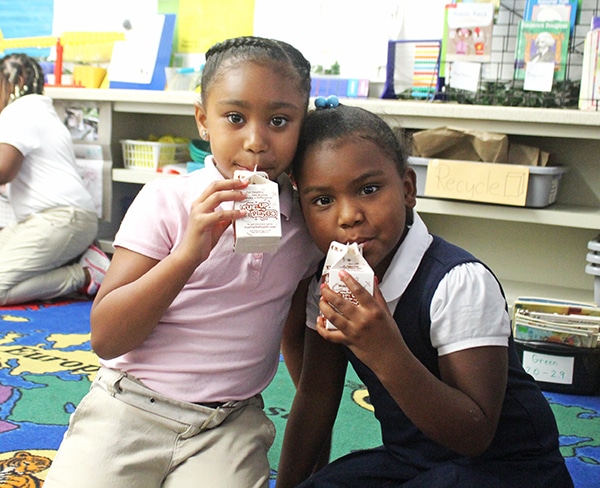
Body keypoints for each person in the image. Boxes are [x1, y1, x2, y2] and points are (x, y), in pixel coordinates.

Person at [43, 36, 322, 488]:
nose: (256, 141)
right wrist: (188, 254)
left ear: (301, 124)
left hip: (228, 423)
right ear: (203, 120)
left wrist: (314, 412)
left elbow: (292, 322)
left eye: (279, 120)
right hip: (130, 407)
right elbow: (107, 338)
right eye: (235, 118)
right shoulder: (167, 200)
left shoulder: (306, 223)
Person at [276, 101, 573, 488]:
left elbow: (474, 435)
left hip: (506, 467)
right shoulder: (330, 283)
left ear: (407, 188)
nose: (348, 215)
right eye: (323, 200)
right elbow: (316, 399)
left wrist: (383, 349)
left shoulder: (459, 283)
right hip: (412, 461)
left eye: (368, 189)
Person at [0, 53, 110, 306]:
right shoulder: (36, 110)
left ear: (18, 81)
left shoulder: (19, 111)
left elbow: (3, 171)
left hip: (61, 219)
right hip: (43, 220)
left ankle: (87, 274)